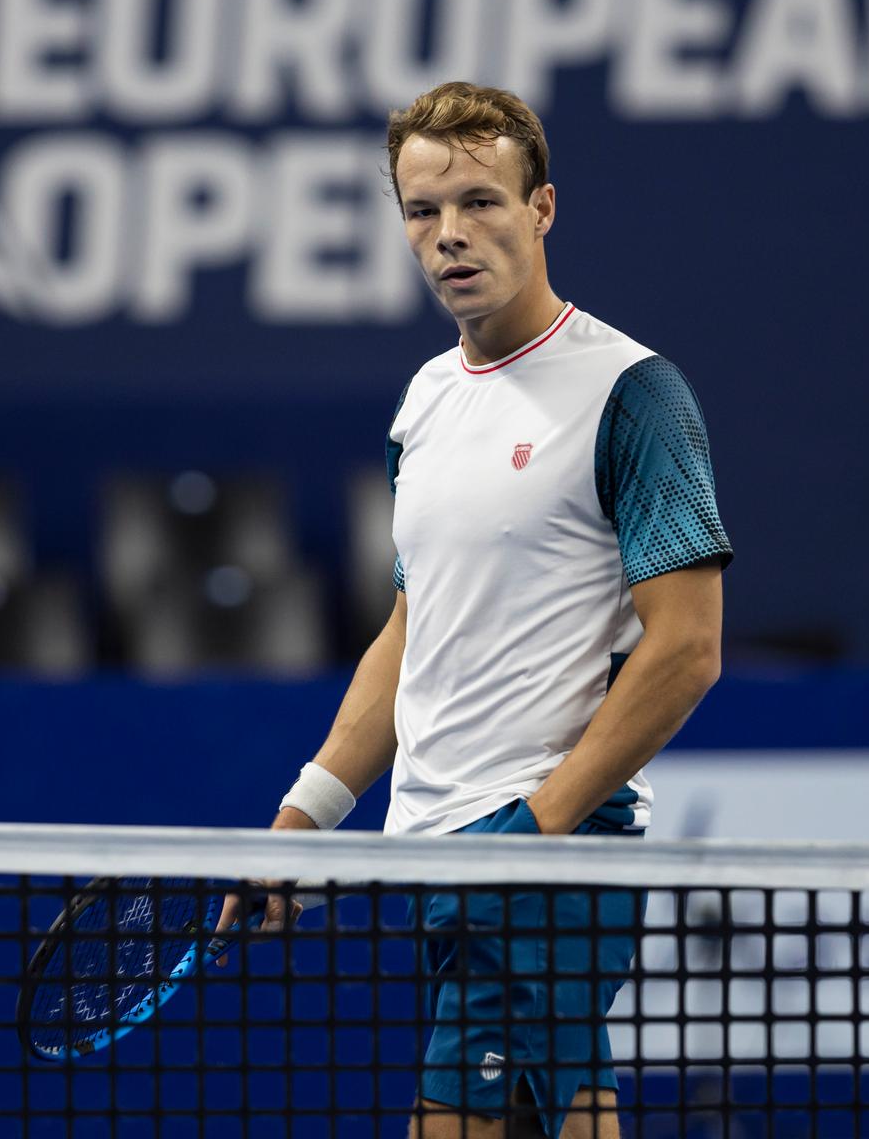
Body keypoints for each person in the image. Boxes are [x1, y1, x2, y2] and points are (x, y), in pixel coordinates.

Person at [224, 82, 731, 1139]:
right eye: (421, 211)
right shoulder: (425, 401)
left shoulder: (636, 392)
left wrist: (533, 831)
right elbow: (414, 631)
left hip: (549, 854)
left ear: (542, 207)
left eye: (480, 201)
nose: (450, 234)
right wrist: (306, 819)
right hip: (445, 854)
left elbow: (685, 649)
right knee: (568, 1113)